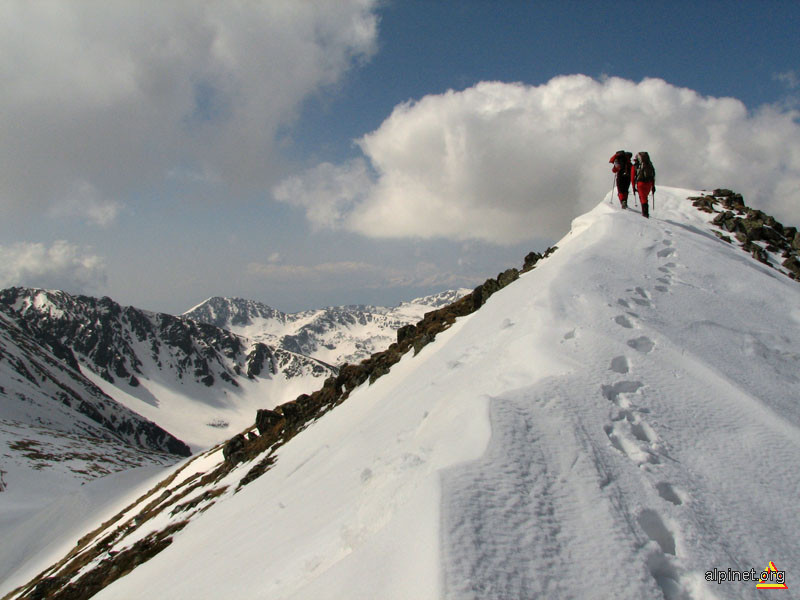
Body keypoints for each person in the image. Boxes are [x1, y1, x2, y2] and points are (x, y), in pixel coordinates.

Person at [632, 152, 656, 218]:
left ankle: (645, 214)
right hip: (649, 183)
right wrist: (653, 186)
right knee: (645, 197)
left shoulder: (636, 166)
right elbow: (653, 175)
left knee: (643, 198)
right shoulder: (650, 164)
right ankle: (645, 213)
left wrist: (633, 187)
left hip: (640, 183)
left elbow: (632, 177)